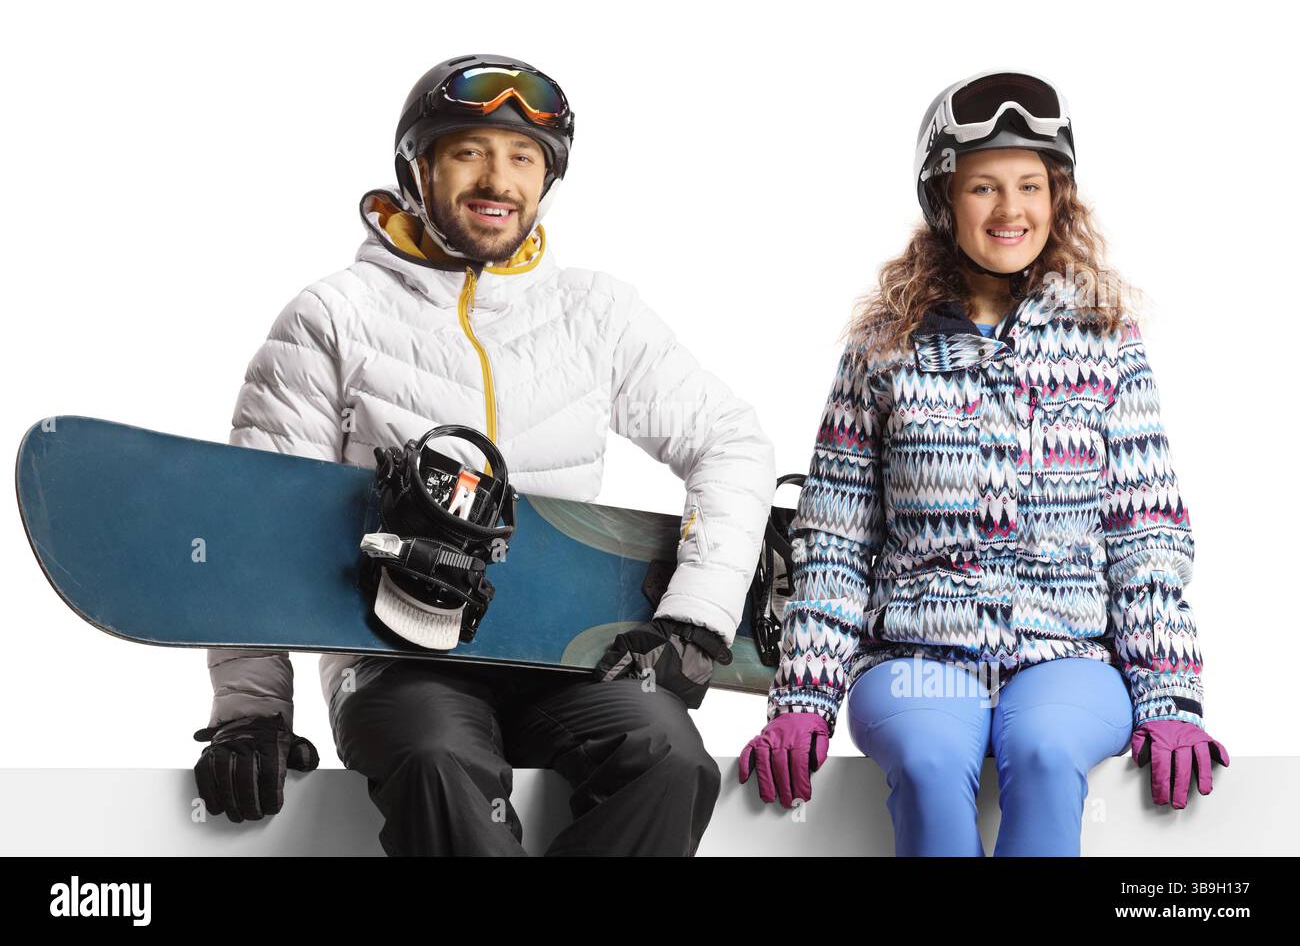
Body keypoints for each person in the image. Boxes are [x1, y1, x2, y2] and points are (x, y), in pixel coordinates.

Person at [192, 54, 776, 856]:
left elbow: (730, 441)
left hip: (564, 657)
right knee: (439, 760)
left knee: (669, 757)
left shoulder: (595, 314)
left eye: (523, 158)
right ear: (417, 168)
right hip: (397, 659)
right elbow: (256, 520)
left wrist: (697, 620)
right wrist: (251, 712)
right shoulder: (334, 316)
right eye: (468, 151)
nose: (498, 179)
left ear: (546, 180)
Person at [738, 68, 1228, 856]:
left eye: (1031, 185)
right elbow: (834, 539)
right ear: (944, 199)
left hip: (1064, 656)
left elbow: (1145, 533)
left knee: (1042, 752)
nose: (1011, 211)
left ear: (1057, 197)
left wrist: (1171, 697)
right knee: (932, 763)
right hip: (918, 658)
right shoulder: (884, 350)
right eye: (984, 188)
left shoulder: (1105, 340)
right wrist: (803, 697)